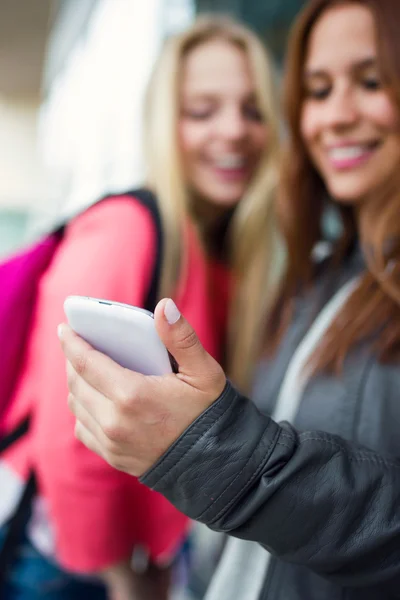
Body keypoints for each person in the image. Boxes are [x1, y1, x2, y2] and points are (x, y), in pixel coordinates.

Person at [61, 1, 400, 599]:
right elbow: (71, 442)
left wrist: (221, 456)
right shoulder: (308, 275)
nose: (337, 115)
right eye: (317, 91)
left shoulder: (266, 262)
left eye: (372, 81)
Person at [0, 15, 280, 600]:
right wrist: (121, 576)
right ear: (163, 124)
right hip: (62, 561)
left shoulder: (227, 249)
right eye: (202, 111)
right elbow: (68, 429)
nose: (233, 130)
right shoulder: (126, 228)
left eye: (254, 110)